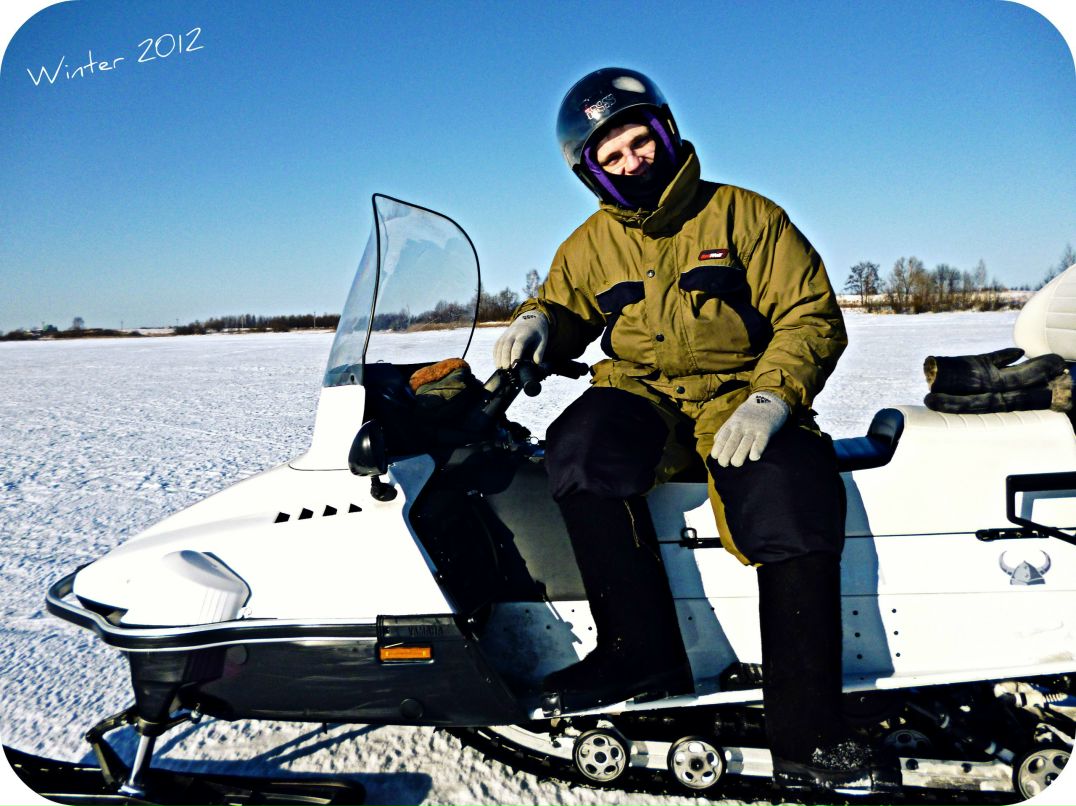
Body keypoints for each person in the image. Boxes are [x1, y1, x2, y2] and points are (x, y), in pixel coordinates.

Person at [493, 67, 882, 790]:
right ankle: (639, 651)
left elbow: (809, 315)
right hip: (644, 394)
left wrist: (771, 398)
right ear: (590, 172)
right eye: (611, 157)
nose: (632, 162)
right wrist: (539, 323)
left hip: (742, 393)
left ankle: (808, 731)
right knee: (579, 446)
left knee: (790, 491)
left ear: (666, 132)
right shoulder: (589, 244)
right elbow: (567, 306)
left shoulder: (745, 217)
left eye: (640, 142)